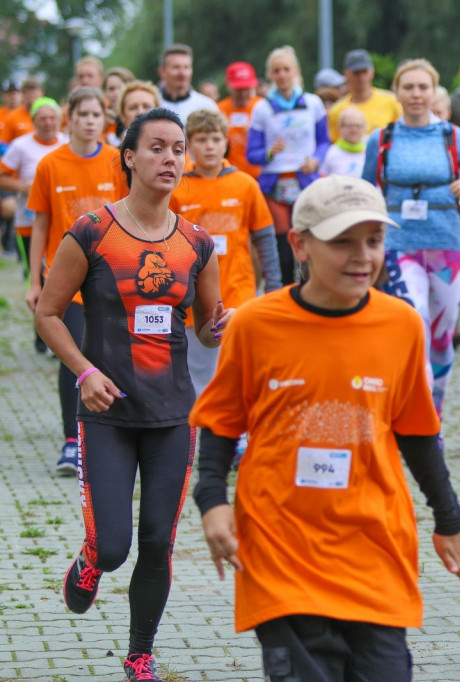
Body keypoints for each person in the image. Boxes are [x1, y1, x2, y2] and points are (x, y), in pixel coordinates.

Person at [190, 175, 460, 682]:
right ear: (299, 244)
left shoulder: (401, 325)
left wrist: (449, 520)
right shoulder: (255, 325)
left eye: (373, 240)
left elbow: (417, 432)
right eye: (342, 241)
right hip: (281, 550)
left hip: (375, 548)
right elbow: (219, 422)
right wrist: (212, 501)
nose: (362, 256)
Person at [34, 107, 229, 682]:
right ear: (129, 157)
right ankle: (92, 559)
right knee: (116, 544)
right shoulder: (92, 231)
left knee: (156, 542)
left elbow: (202, 324)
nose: (171, 159)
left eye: (178, 150)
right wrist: (84, 371)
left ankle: (140, 655)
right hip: (107, 414)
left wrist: (218, 327)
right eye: (158, 148)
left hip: (172, 414)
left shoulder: (197, 242)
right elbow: (48, 313)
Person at [362, 58, 460, 418]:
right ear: (398, 93)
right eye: (409, 87)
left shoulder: (452, 136)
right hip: (398, 245)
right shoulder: (382, 139)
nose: (416, 94)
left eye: (423, 87)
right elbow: (364, 192)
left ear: (433, 90)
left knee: (441, 337)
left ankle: (434, 410)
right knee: (415, 323)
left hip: (447, 244)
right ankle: (415, 414)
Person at [25, 87, 127, 475]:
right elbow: (41, 224)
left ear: (105, 119)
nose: (88, 120)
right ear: (70, 118)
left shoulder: (118, 161)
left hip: (111, 277)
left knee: (111, 354)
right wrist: (36, 281)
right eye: (82, 114)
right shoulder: (50, 165)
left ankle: (107, 432)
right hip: (65, 280)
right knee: (73, 359)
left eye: (95, 114)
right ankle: (72, 440)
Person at [170, 108, 281, 396]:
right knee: (200, 374)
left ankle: (241, 437)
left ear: (225, 143)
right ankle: (203, 432)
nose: (209, 146)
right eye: (201, 139)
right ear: (189, 146)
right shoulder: (179, 188)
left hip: (239, 292)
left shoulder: (245, 185)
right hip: (195, 302)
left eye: (215, 139)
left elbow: (265, 240)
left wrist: (273, 287)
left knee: (241, 369)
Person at [247, 45, 330, 285]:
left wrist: (315, 160)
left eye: (286, 69)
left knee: (307, 240)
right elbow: (252, 154)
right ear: (270, 75)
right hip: (275, 184)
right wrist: (270, 154)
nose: (282, 75)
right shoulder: (262, 108)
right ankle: (285, 293)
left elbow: (324, 142)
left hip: (304, 180)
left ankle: (309, 291)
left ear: (295, 71)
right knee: (283, 245)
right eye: (276, 71)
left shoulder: (313, 103)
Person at [0, 97, 67, 287]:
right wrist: (22, 186)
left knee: (61, 277)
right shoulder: (21, 146)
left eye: (52, 118)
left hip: (60, 222)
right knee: (37, 278)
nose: (48, 123)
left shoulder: (68, 143)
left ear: (60, 119)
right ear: (33, 120)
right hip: (28, 221)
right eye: (42, 119)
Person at [327, 49, 402, 140]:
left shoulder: (392, 102)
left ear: (372, 72)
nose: (361, 77)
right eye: (356, 73)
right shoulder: (337, 111)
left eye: (364, 72)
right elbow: (334, 142)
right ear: (346, 74)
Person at [218, 62, 263, 179]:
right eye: (238, 89)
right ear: (228, 85)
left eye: (246, 89)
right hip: (229, 175)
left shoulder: (262, 107)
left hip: (261, 176)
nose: (243, 94)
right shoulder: (219, 110)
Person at [157, 44, 218, 121]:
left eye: (186, 67)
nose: (182, 73)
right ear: (162, 72)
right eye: (176, 67)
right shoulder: (152, 105)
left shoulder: (206, 107)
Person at [321, 106, 367, 178]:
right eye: (350, 126)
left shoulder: (370, 153)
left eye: (358, 126)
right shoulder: (330, 153)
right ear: (340, 127)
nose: (354, 130)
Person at [0, 78, 44, 146]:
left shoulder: (47, 113)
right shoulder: (13, 116)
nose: (13, 96)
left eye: (16, 93)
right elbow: (3, 143)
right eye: (9, 93)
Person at [102, 67, 134, 144]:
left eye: (120, 88)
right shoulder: (100, 117)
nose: (116, 93)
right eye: (111, 89)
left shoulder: (139, 114)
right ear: (105, 91)